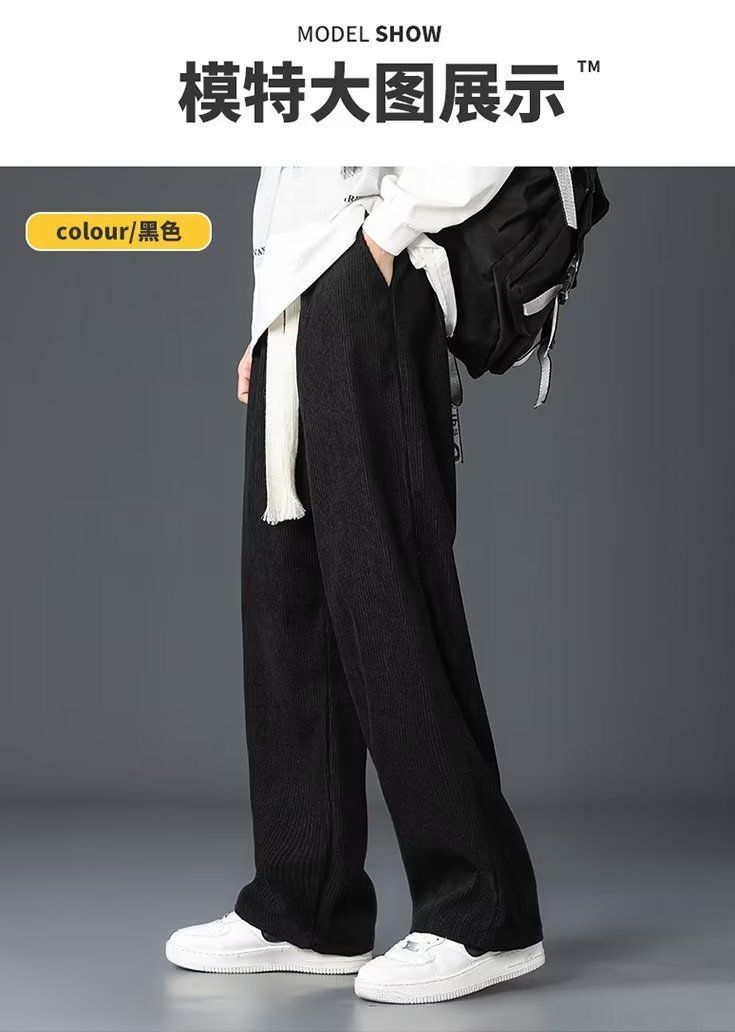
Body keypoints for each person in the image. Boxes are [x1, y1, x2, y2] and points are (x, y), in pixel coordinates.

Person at [165, 167, 544, 1004]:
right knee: (289, 605)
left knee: (388, 596)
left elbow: (481, 124)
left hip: (368, 278)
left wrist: (385, 237)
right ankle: (308, 902)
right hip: (300, 296)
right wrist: (271, 315)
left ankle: (484, 910)